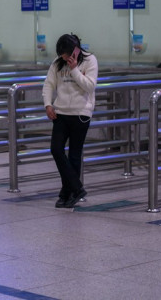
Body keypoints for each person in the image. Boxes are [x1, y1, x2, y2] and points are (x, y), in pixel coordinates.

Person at [42, 34, 98, 208]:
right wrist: (48, 104)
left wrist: (74, 69)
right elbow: (49, 84)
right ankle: (76, 188)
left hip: (80, 113)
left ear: (75, 50)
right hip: (61, 112)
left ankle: (68, 193)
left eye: (66, 54)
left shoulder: (90, 61)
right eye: (61, 55)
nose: (64, 58)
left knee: (74, 154)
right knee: (56, 149)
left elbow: (90, 86)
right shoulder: (57, 63)